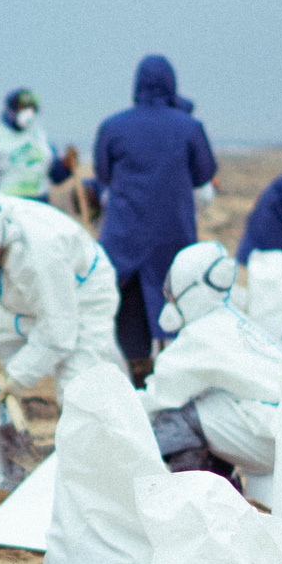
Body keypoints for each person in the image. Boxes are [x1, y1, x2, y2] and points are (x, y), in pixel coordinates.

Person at [0, 187, 119, 493]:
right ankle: (12, 474)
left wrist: (19, 376)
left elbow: (59, 333)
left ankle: (85, 486)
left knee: (78, 392)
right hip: (12, 305)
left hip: (80, 302)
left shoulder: (43, 250)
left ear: (8, 239)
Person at [92, 54, 218, 375]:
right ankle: (172, 367)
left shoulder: (112, 126)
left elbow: (102, 175)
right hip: (172, 232)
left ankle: (138, 365)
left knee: (129, 302)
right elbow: (204, 173)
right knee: (176, 297)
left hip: (125, 233)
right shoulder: (189, 127)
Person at [142, 241, 282, 480]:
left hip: (271, 439)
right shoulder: (235, 321)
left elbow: (159, 397)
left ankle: (198, 495)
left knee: (172, 419)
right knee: (208, 405)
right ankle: (226, 486)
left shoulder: (200, 335)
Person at [0, 87, 72, 201]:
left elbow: (56, 175)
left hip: (39, 204)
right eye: (23, 107)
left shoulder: (41, 136)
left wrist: (66, 165)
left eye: (31, 108)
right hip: (7, 205)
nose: (28, 112)